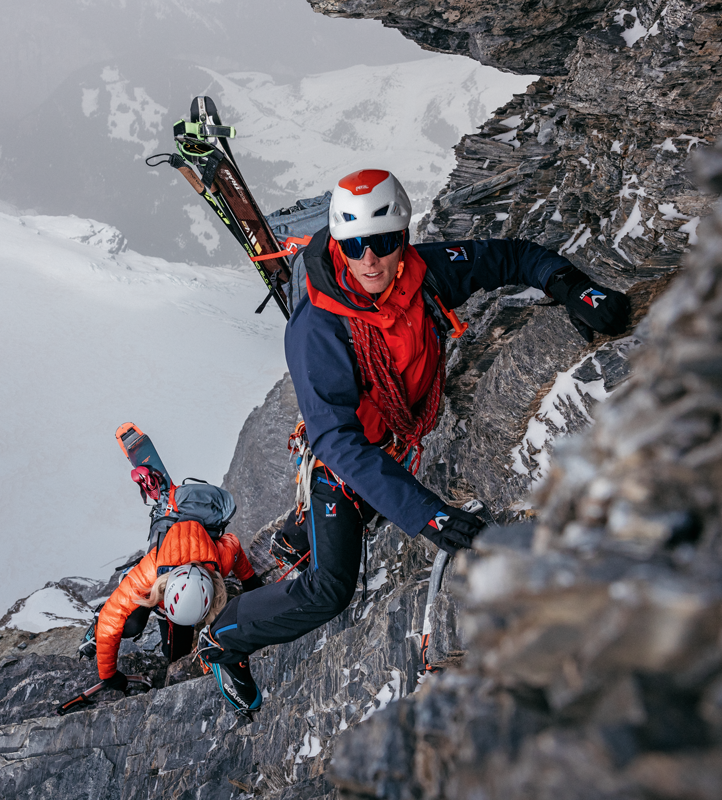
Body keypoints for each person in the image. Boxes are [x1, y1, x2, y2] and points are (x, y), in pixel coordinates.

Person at [196, 169, 631, 712]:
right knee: (329, 590)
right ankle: (226, 639)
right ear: (337, 243)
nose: (370, 259)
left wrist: (574, 289)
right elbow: (339, 442)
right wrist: (431, 517)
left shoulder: (420, 275)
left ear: (403, 238)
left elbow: (512, 256)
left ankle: (295, 535)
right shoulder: (318, 330)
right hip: (345, 464)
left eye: (382, 243)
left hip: (393, 443)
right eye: (354, 246)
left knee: (365, 515)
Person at [93, 516, 262, 694]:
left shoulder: (220, 562)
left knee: (176, 654)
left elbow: (233, 543)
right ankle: (148, 598)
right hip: (158, 580)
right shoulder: (150, 571)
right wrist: (108, 674)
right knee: (131, 625)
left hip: (191, 564)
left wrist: (250, 580)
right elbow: (109, 618)